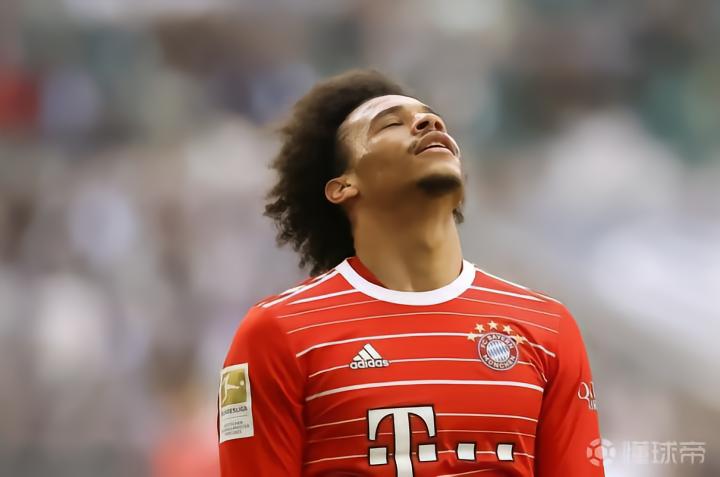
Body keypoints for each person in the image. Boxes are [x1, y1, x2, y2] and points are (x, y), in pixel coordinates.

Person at [218, 69, 605, 476]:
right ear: (343, 186)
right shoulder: (278, 333)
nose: (429, 122)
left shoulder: (548, 329)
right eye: (389, 124)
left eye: (433, 118)